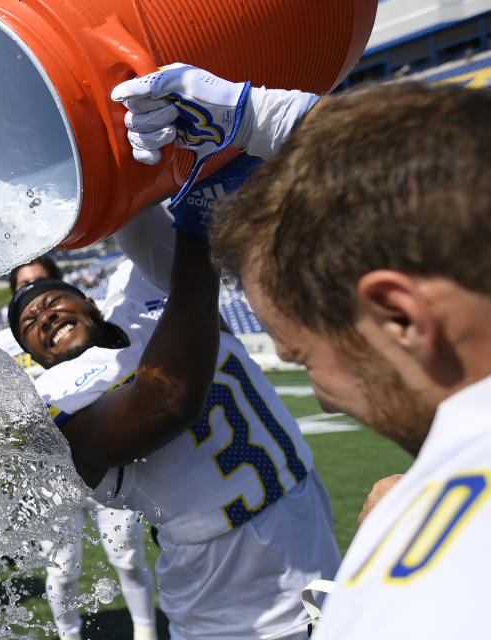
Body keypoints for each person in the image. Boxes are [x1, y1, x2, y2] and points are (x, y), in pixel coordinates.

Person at [204, 79, 491, 638]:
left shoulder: (423, 592)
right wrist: (281, 120)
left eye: (304, 358)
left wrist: (371, 592)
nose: (324, 401)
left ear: (399, 317)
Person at [7, 207, 341, 638]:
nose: (45, 317)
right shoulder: (57, 399)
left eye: (51, 302)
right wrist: (195, 223)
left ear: (90, 302)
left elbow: (134, 213)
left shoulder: (141, 311)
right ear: (36, 359)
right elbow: (168, 401)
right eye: (29, 324)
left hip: (314, 554)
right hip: (229, 617)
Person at [0, 256, 158, 640]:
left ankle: (146, 630)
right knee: (61, 568)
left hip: (112, 456)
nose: (34, 298)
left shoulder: (88, 329)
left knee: (128, 556)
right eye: (22, 286)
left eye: (41, 282)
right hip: (51, 477)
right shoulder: (0, 345)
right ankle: (69, 634)